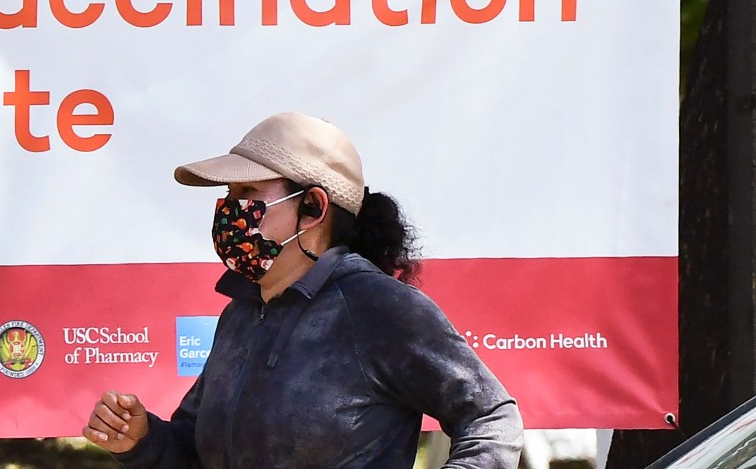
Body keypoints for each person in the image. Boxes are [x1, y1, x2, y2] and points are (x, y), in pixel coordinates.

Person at [83, 111, 524, 468]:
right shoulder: (240, 313)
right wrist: (143, 442)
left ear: (313, 207)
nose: (229, 210)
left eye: (248, 192)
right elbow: (194, 450)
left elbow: (492, 417)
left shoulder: (378, 308)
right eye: (229, 194)